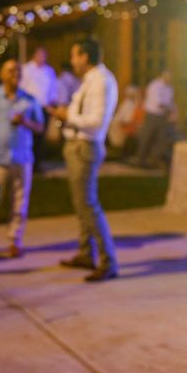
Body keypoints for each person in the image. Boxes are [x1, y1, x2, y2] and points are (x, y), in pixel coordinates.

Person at [48, 39, 119, 282]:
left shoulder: (101, 81)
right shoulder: (90, 80)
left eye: (74, 55)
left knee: (88, 205)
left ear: (85, 56)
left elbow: (96, 121)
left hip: (85, 147)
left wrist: (68, 115)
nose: (72, 60)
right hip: (77, 146)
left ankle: (108, 261)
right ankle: (86, 253)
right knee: (81, 205)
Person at [0, 58, 44, 258]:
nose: (16, 74)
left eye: (19, 71)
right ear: (2, 75)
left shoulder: (29, 100)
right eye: (11, 70)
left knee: (20, 203)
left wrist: (25, 122)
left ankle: (15, 240)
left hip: (23, 159)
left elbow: (40, 127)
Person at [19, 47, 57, 172]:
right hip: (30, 107)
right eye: (39, 55)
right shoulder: (26, 69)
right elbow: (22, 87)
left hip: (44, 107)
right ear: (34, 55)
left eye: (44, 56)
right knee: (30, 135)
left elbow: (53, 88)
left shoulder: (49, 71)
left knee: (41, 136)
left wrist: (51, 102)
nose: (42, 58)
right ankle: (28, 163)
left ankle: (38, 163)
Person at [133, 70, 175, 168]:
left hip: (163, 116)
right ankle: (140, 159)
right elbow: (159, 103)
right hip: (152, 115)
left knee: (161, 138)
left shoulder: (169, 88)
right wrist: (168, 108)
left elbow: (170, 102)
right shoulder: (155, 85)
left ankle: (155, 161)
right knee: (147, 137)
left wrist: (170, 111)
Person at [108, 85, 144, 156]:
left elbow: (127, 120)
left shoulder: (130, 104)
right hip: (120, 125)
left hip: (124, 126)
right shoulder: (128, 103)